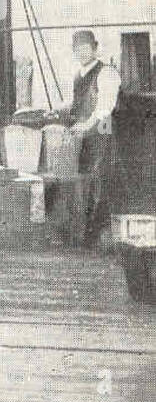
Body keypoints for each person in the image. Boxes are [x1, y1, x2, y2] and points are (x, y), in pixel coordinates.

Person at [68, 29, 121, 246]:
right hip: (86, 138)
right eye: (77, 49)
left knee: (100, 183)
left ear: (95, 48)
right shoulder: (78, 75)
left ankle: (96, 236)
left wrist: (85, 126)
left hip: (103, 135)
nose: (81, 53)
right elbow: (76, 105)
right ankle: (87, 235)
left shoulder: (106, 73)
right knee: (85, 183)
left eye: (85, 48)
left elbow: (104, 109)